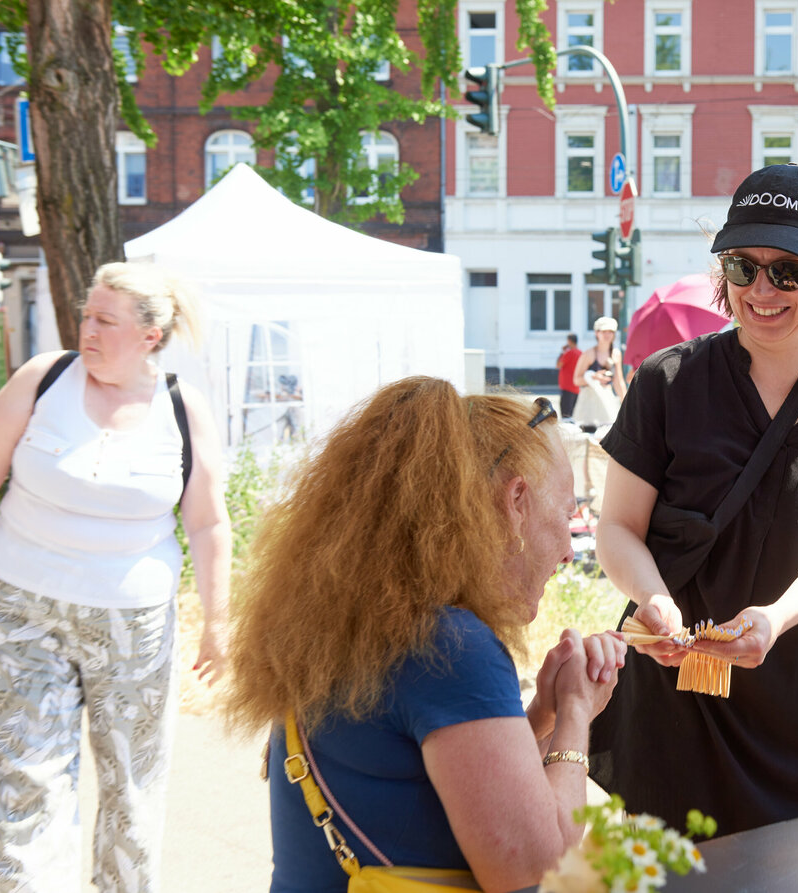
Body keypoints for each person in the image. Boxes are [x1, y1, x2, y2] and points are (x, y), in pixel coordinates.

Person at [590, 163, 798, 835]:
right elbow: (616, 526)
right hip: (677, 714)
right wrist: (654, 599)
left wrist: (777, 617)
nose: (762, 289)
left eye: (787, 270)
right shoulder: (666, 380)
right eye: (741, 266)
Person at [224, 379, 626, 893]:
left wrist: (542, 715)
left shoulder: (360, 622)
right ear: (516, 501)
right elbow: (535, 868)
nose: (571, 550)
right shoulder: (452, 648)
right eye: (567, 514)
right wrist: (575, 711)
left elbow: (455, 787)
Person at [0, 262, 231, 892]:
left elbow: (207, 523)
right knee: (21, 775)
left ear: (150, 334)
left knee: (133, 786)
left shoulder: (180, 408)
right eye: (87, 314)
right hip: (20, 611)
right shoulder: (44, 378)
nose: (87, 329)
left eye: (105, 321)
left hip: (134, 627)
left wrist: (218, 625)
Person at [571, 317, 626, 429]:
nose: (607, 335)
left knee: (608, 437)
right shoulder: (588, 354)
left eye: (610, 331)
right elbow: (576, 380)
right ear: (597, 333)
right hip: (589, 403)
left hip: (607, 401)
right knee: (588, 439)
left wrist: (626, 403)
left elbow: (618, 381)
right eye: (603, 331)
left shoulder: (616, 354)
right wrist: (593, 377)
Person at [557, 333, 582, 418]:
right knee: (571, 413)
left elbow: (558, 365)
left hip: (567, 385)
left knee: (565, 414)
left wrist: (562, 352)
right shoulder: (580, 353)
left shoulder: (568, 353)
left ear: (569, 341)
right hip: (576, 386)